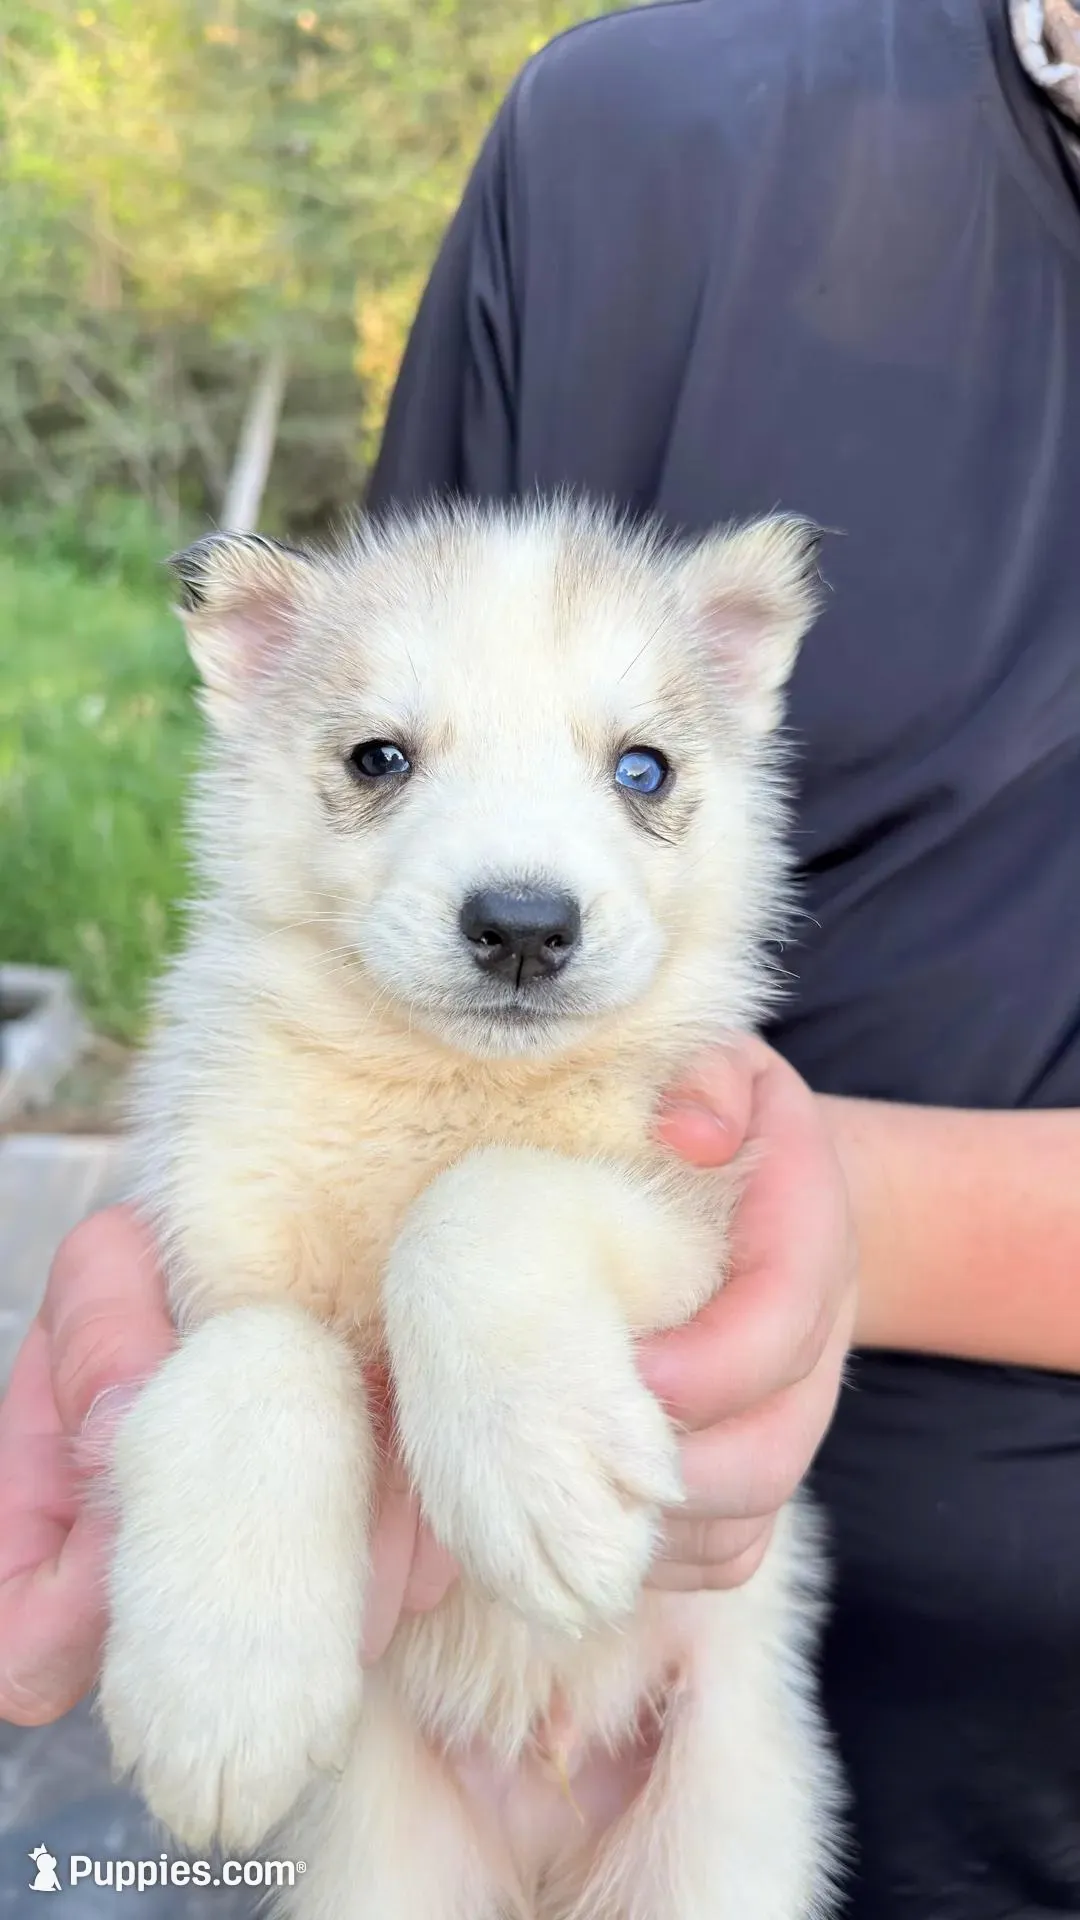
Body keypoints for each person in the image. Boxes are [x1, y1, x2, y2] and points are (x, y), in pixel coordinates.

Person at [2, 0, 1079, 1910]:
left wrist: (527, 1247)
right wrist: (223, 1414)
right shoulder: (628, 137)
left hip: (752, 1763)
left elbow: (640, 1237)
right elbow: (235, 1311)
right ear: (253, 702)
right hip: (413, 1767)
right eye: (382, 760)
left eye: (642, 768)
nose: (522, 883)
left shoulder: (668, 1065)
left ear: (741, 713)